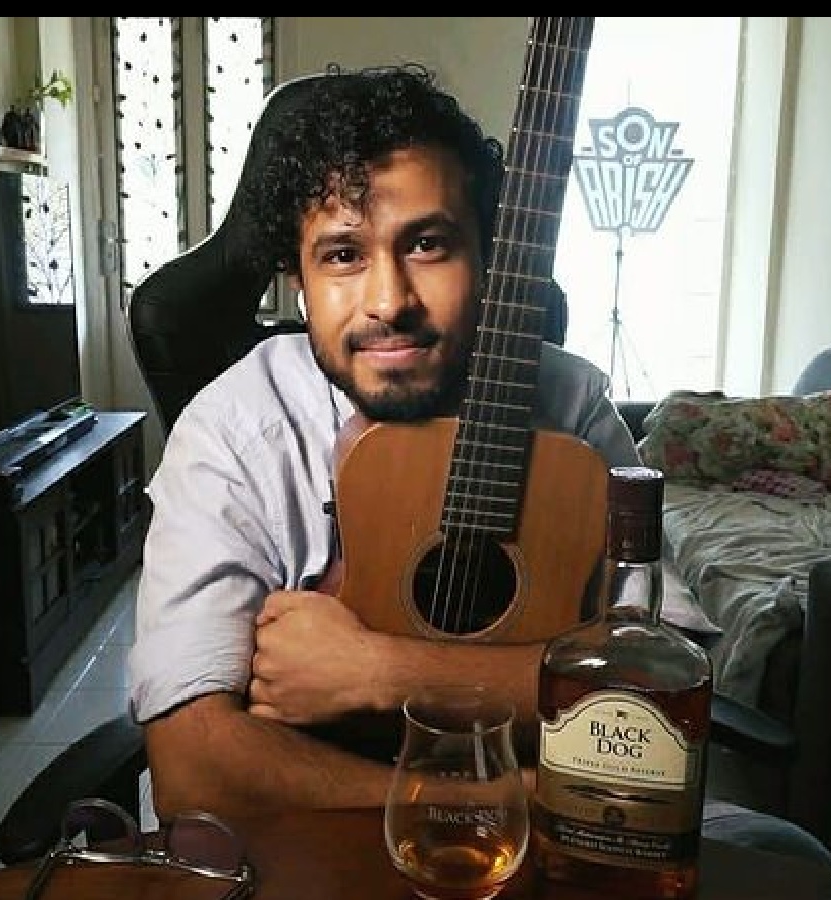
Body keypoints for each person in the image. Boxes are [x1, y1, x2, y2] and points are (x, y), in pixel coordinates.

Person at [127, 63, 640, 823]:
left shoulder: (573, 408)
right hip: (320, 846)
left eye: (428, 244)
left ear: (489, 259)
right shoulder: (234, 430)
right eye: (342, 254)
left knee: (783, 854)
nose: (390, 301)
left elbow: (663, 695)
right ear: (298, 280)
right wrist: (498, 800)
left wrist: (382, 673)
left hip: (546, 848)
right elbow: (192, 769)